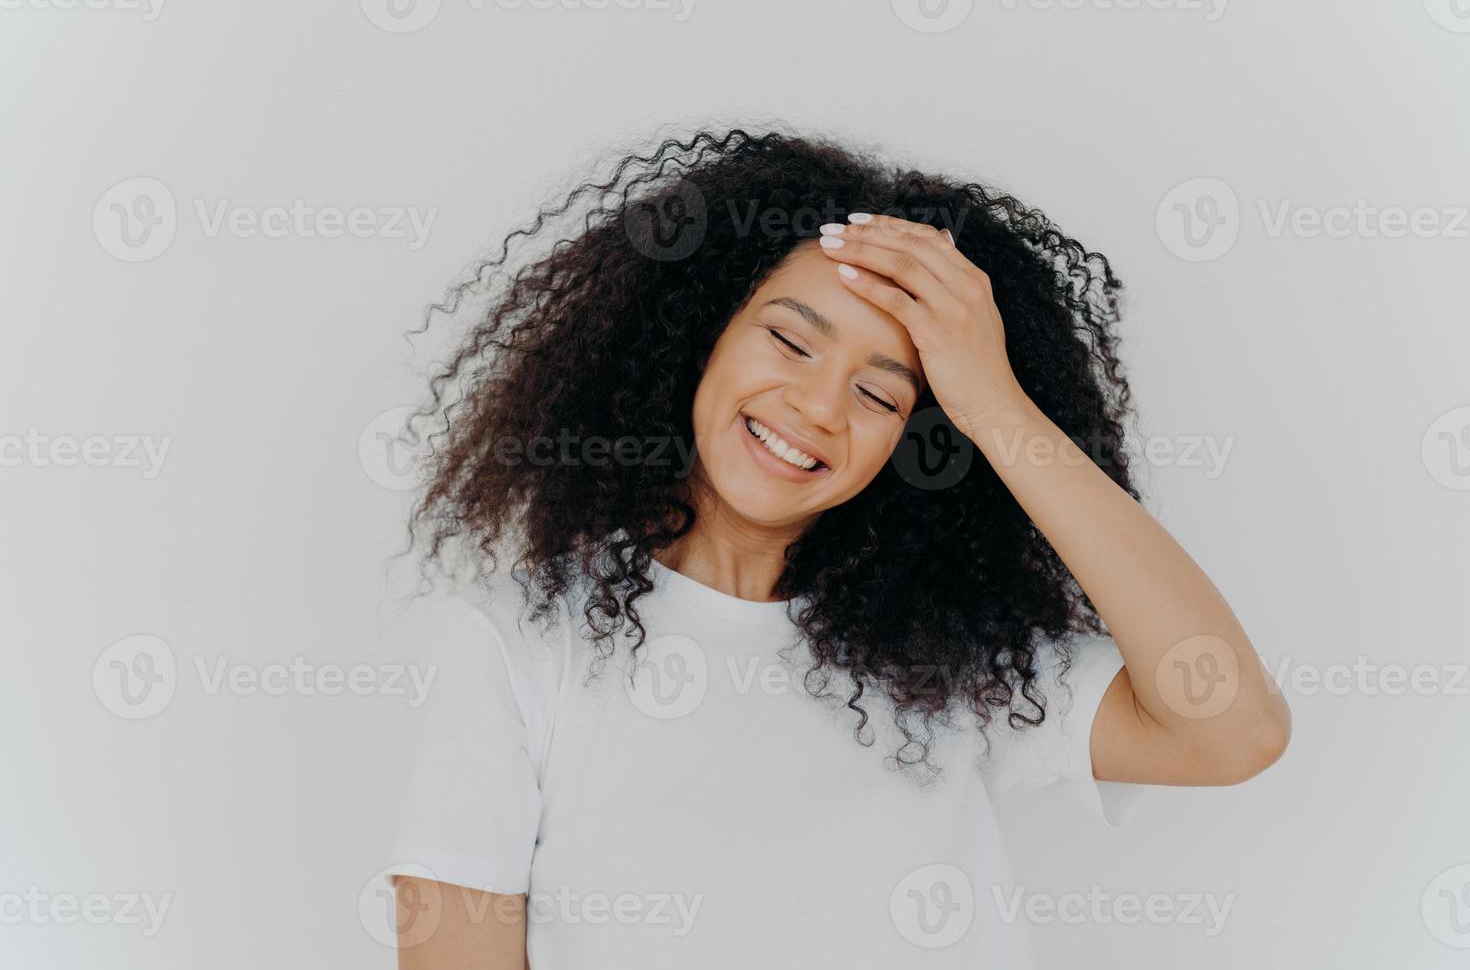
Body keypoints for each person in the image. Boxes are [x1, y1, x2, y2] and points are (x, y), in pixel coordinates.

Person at [378, 126, 1291, 968]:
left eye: (882, 395)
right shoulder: (517, 642)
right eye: (789, 340)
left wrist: (994, 403)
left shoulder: (948, 656)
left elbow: (1232, 733)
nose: (817, 407)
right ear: (701, 336)